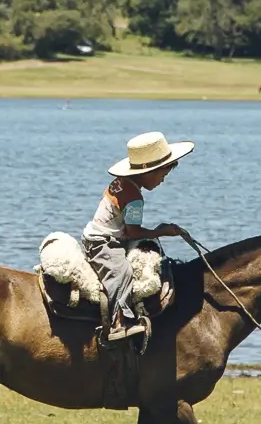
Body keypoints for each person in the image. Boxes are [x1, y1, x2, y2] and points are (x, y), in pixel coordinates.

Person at [83, 131, 194, 334]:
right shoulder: (134, 198)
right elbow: (133, 232)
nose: (162, 181)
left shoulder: (122, 183)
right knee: (122, 273)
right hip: (104, 243)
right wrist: (161, 232)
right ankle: (119, 320)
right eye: (162, 175)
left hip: (106, 235)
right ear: (149, 172)